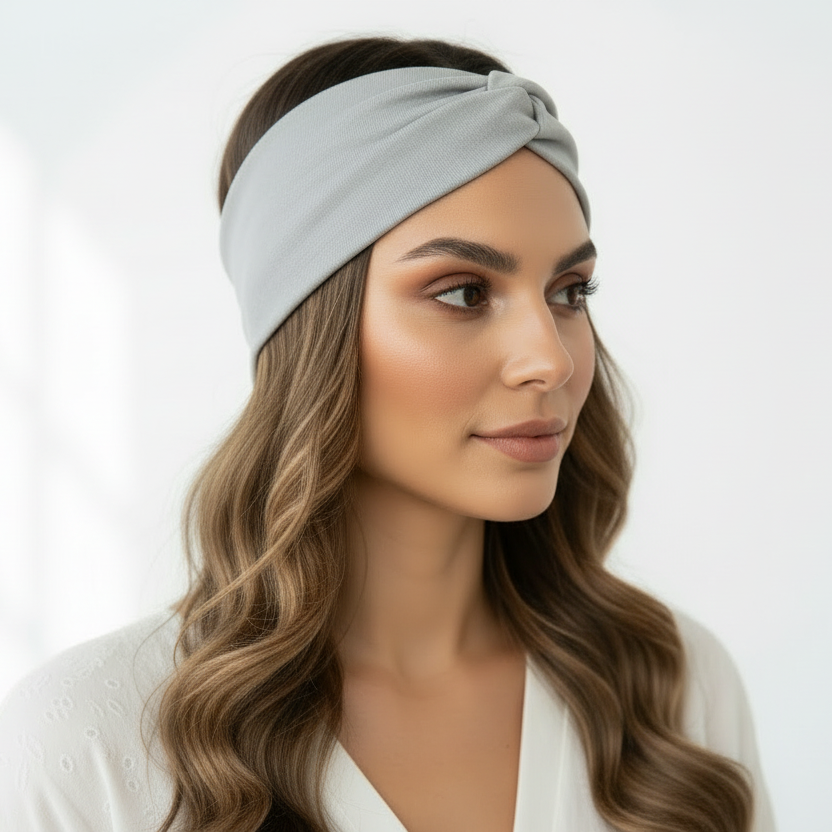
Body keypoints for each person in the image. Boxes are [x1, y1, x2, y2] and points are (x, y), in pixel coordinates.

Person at [0, 34, 776, 832]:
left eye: (570, 291)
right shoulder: (88, 744)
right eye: (464, 292)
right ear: (309, 326)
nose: (549, 357)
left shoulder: (671, 689)